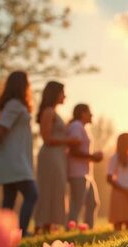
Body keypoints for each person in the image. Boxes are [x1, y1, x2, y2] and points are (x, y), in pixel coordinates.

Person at [0, 71, 37, 237]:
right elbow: (1, 130)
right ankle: (21, 231)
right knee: (32, 194)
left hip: (16, 157)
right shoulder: (14, 105)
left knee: (9, 199)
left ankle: (2, 234)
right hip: (14, 158)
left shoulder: (15, 105)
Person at [34, 82, 79, 234]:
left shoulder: (54, 112)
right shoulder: (48, 112)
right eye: (62, 92)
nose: (64, 96)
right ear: (55, 93)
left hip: (58, 156)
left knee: (57, 188)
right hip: (50, 155)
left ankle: (50, 224)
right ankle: (42, 224)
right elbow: (46, 138)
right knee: (48, 188)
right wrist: (69, 141)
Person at [67, 104, 103, 229]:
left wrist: (92, 157)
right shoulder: (76, 126)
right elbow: (73, 151)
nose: (92, 115)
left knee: (93, 203)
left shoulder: (82, 128)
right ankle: (70, 229)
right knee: (77, 203)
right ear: (82, 113)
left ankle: (88, 229)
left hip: (87, 173)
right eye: (89, 112)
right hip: (77, 173)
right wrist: (93, 157)